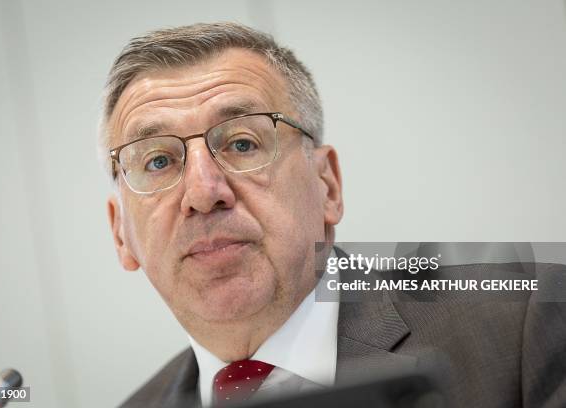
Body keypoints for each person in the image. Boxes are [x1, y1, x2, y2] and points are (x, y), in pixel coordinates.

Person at [99, 23, 566, 408]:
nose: (203, 192)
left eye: (242, 144)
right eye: (158, 161)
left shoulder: (527, 324)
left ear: (328, 186)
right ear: (122, 234)